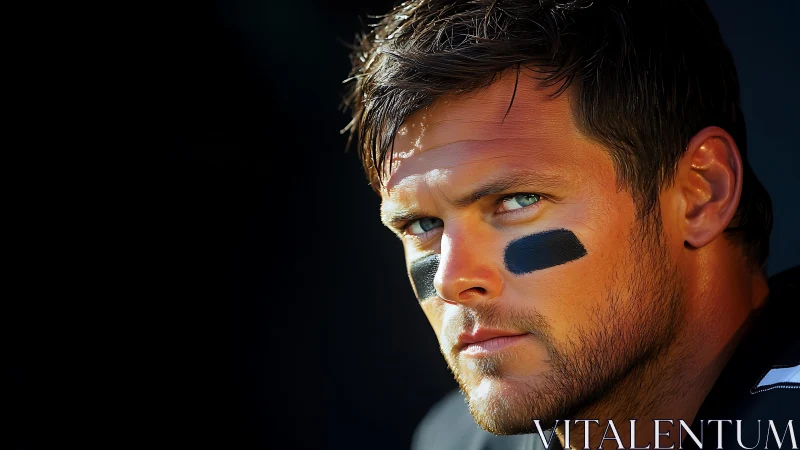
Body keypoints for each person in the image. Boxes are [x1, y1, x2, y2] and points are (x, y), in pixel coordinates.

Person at [342, 1, 799, 449]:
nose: (451, 280)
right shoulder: (452, 440)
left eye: (518, 201)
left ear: (701, 194)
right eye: (423, 224)